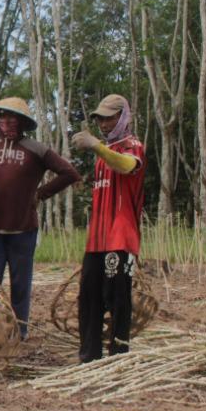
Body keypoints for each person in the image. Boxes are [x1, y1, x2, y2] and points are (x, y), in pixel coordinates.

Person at [0, 97, 80, 338]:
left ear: (21, 123)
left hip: (23, 230)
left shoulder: (36, 149)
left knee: (21, 284)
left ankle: (20, 330)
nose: (7, 123)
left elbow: (70, 173)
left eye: (12, 118)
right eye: (2, 118)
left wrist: (41, 193)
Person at [70, 93, 145, 363]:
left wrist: (97, 146)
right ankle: (89, 354)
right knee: (88, 295)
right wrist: (98, 148)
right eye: (101, 119)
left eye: (110, 118)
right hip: (98, 237)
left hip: (121, 236)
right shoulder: (102, 154)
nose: (104, 124)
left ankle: (118, 354)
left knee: (117, 295)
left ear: (123, 116)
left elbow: (127, 167)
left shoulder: (132, 145)